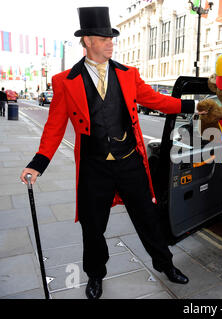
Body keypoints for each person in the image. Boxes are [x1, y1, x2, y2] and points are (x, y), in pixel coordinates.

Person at [20, 7, 202, 299]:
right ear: (88, 41)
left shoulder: (128, 75)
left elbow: (156, 101)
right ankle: (95, 276)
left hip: (130, 162)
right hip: (94, 168)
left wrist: (192, 106)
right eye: (104, 38)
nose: (110, 42)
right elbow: (54, 127)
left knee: (148, 217)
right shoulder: (65, 81)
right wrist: (37, 164)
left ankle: (165, 264)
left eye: (111, 37)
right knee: (93, 228)